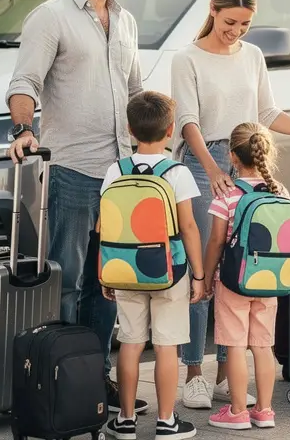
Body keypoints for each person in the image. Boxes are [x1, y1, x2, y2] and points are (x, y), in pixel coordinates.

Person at [169, 0, 290, 409]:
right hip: (203, 160)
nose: (236, 31)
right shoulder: (186, 59)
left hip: (247, 161)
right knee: (202, 268)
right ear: (213, 10)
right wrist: (213, 171)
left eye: (245, 25)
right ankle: (193, 372)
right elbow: (188, 121)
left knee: (240, 267)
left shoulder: (252, 56)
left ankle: (227, 374)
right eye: (230, 21)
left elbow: (267, 113)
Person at [5, 0, 149, 415]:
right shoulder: (50, 18)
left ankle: (92, 377)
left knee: (108, 282)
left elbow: (134, 95)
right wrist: (24, 130)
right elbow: (25, 82)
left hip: (119, 178)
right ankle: (58, 382)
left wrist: (153, 146)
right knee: (66, 284)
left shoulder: (125, 22)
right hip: (71, 172)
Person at [100, 91, 205, 440]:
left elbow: (106, 225)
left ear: (129, 129)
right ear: (171, 130)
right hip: (168, 270)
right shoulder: (177, 172)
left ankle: (126, 420)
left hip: (125, 268)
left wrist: (105, 269)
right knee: (166, 345)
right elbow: (188, 227)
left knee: (130, 342)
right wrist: (199, 274)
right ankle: (165, 421)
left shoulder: (116, 169)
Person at [203, 122, 287, 430]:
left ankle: (238, 411)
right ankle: (264, 411)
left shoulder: (227, 195)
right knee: (263, 345)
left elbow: (215, 242)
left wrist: (206, 277)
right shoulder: (280, 191)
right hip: (269, 278)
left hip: (233, 279)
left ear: (232, 157)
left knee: (235, 344)